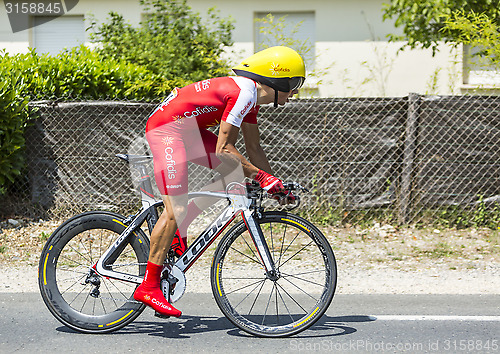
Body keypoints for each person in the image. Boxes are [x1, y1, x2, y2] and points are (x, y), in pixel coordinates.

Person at [133, 46, 306, 317]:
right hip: (166, 131)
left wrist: (274, 185)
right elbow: (224, 149)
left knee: (234, 174)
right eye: (294, 84)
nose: (295, 92)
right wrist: (263, 178)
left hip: (186, 130)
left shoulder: (250, 99)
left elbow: (254, 149)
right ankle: (149, 286)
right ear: (276, 80)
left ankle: (181, 227)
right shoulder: (243, 93)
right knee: (174, 209)